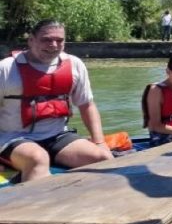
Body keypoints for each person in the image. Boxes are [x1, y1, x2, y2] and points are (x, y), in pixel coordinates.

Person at [0, 19, 113, 182]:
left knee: (102, 158)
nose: (53, 45)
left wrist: (99, 141)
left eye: (59, 40)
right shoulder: (6, 69)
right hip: (13, 138)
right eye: (46, 39)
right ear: (31, 40)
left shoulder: (75, 65)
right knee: (38, 159)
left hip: (57, 136)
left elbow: (86, 105)